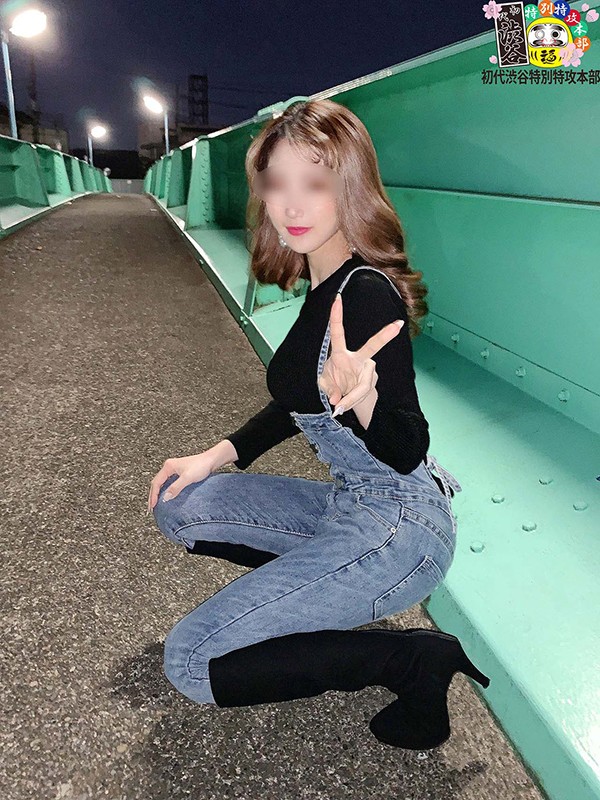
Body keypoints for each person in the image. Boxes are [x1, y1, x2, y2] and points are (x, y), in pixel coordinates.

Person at [148, 99, 490, 750]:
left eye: (315, 182)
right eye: (277, 183)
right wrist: (216, 454)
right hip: (350, 504)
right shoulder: (322, 280)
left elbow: (407, 445)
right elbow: (296, 399)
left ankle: (411, 661)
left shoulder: (366, 293)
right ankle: (315, 585)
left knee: (190, 662)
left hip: (400, 528)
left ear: (350, 186)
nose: (292, 204)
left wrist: (363, 401)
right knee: (179, 503)